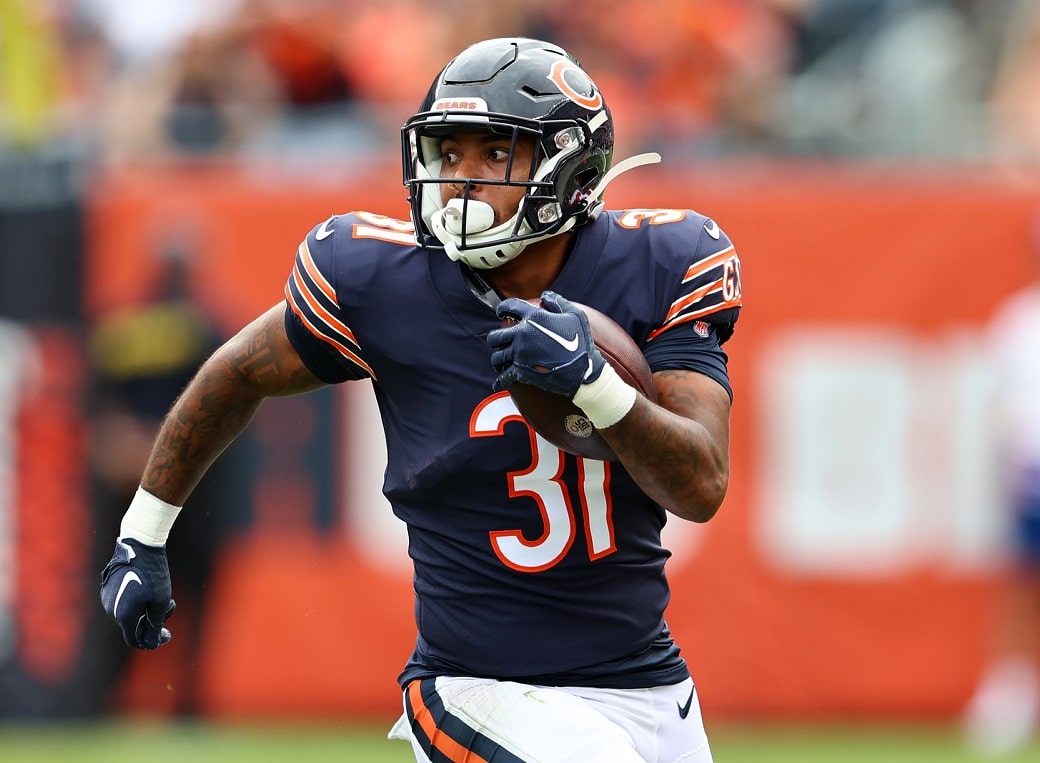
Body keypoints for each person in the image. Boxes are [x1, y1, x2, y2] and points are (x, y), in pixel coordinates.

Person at [100, 37, 742, 762]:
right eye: (447, 152)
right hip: (475, 686)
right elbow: (235, 372)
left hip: (647, 687)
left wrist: (595, 386)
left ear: (572, 167)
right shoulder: (382, 278)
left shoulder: (660, 263)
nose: (461, 179)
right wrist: (143, 534)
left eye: (494, 153)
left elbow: (701, 483)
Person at [963, 222, 1040, 757]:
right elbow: (1004, 409)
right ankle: (1011, 694)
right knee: (1021, 586)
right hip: (1031, 474)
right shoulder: (1020, 319)